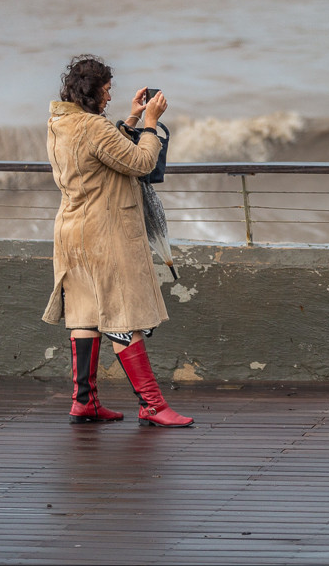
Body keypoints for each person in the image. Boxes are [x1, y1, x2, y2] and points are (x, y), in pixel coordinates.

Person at [44, 54, 193, 427]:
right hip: (104, 235)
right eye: (107, 91)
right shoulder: (94, 128)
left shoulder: (60, 122)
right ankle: (153, 406)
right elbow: (140, 162)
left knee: (86, 314)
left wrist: (132, 119)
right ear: (93, 93)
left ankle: (86, 402)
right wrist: (152, 124)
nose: (110, 97)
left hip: (71, 233)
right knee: (124, 316)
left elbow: (106, 151)